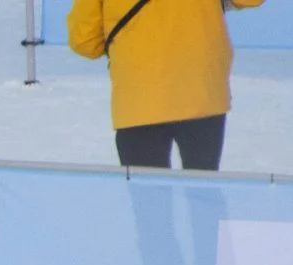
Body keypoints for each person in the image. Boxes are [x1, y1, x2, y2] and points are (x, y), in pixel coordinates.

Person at [67, 0, 264, 171]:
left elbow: (84, 40)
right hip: (202, 91)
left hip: (139, 97)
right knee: (204, 198)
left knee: (149, 200)